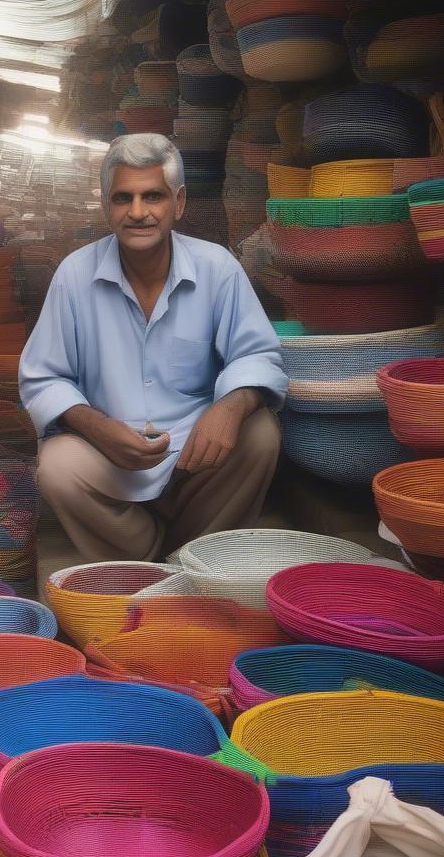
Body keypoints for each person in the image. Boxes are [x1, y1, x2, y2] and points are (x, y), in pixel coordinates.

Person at [19, 133, 287, 562]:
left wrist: (229, 408)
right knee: (58, 467)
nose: (138, 212)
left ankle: (193, 555)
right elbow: (44, 376)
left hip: (197, 457)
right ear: (107, 205)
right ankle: (150, 561)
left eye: (153, 196)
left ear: (178, 204)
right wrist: (95, 426)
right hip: (111, 458)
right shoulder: (74, 275)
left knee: (259, 433)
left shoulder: (216, 267)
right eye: (123, 198)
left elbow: (257, 355)